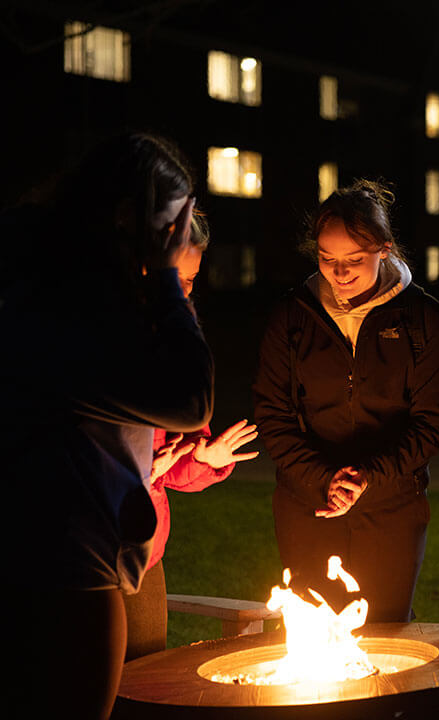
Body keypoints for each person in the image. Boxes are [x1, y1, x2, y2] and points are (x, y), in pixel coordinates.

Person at [3, 133, 213, 720]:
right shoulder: (75, 311)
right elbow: (190, 396)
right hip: (66, 562)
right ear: (130, 217)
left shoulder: (45, 285)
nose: (176, 242)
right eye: (170, 227)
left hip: (51, 549)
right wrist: (168, 283)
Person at [253, 179, 439, 622]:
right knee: (314, 640)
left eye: (354, 260)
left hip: (391, 508)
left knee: (384, 641)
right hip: (307, 505)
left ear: (384, 249)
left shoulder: (422, 318)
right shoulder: (293, 315)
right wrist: (325, 479)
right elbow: (272, 415)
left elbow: (433, 423)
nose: (340, 273)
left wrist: (367, 477)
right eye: (327, 259)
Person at [122, 213, 260, 661]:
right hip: (83, 548)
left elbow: (173, 460)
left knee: (144, 676)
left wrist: (207, 457)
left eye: (192, 280)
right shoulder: (97, 338)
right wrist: (139, 474)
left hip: (146, 550)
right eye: (174, 278)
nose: (183, 292)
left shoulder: (177, 342)